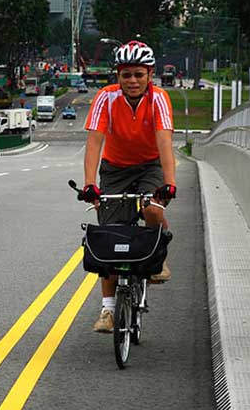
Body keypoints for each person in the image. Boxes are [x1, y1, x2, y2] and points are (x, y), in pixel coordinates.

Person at [82, 40, 177, 333]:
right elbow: (95, 142)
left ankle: (159, 255)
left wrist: (169, 184)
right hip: (116, 168)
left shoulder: (159, 98)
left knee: (152, 207)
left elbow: (164, 141)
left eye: (139, 74)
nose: (133, 81)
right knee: (110, 241)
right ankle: (108, 311)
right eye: (126, 75)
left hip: (151, 164)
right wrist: (89, 185)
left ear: (150, 74)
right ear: (117, 76)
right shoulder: (105, 98)